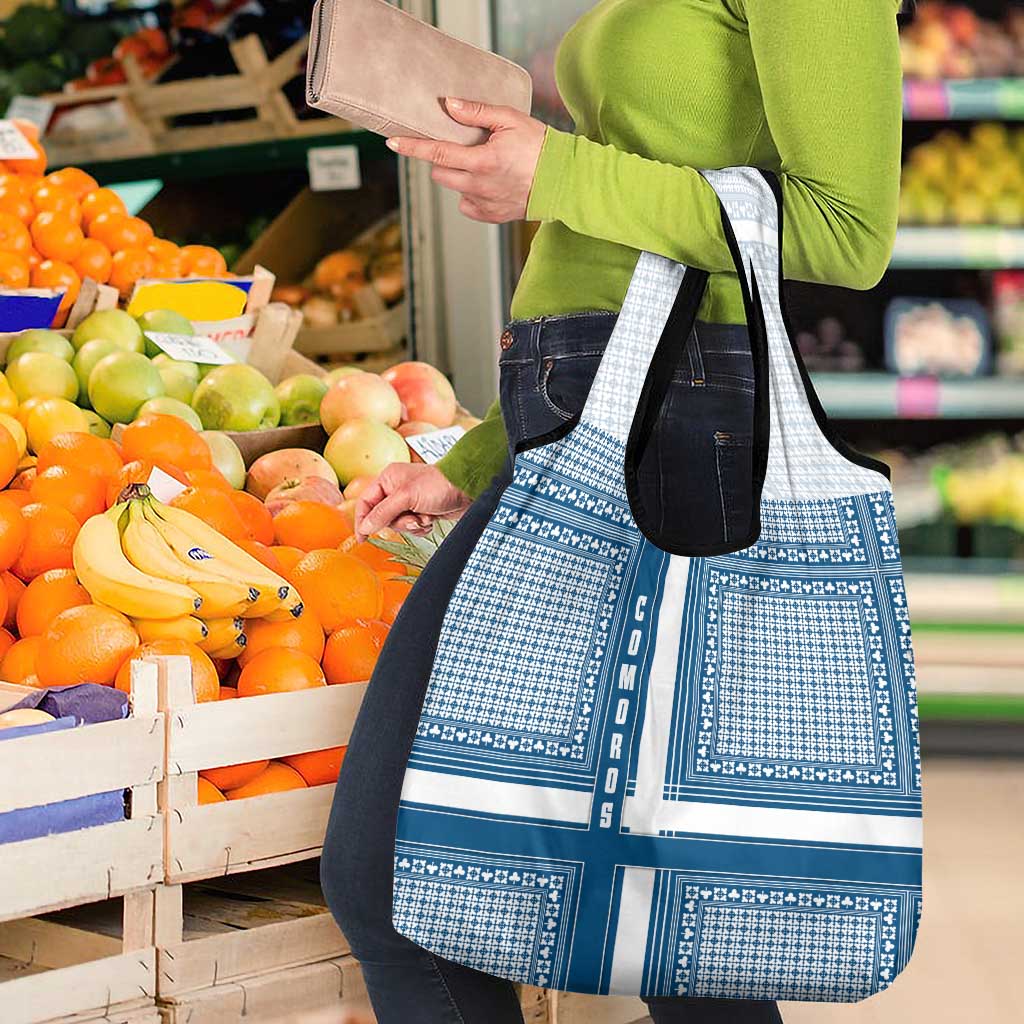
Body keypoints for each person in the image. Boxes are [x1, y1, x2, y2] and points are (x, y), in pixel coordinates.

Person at [321, 2, 906, 1022]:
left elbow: (847, 230)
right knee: (681, 927)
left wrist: (557, 173)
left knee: (403, 879)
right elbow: (624, 247)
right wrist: (477, 456)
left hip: (681, 433)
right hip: (595, 425)